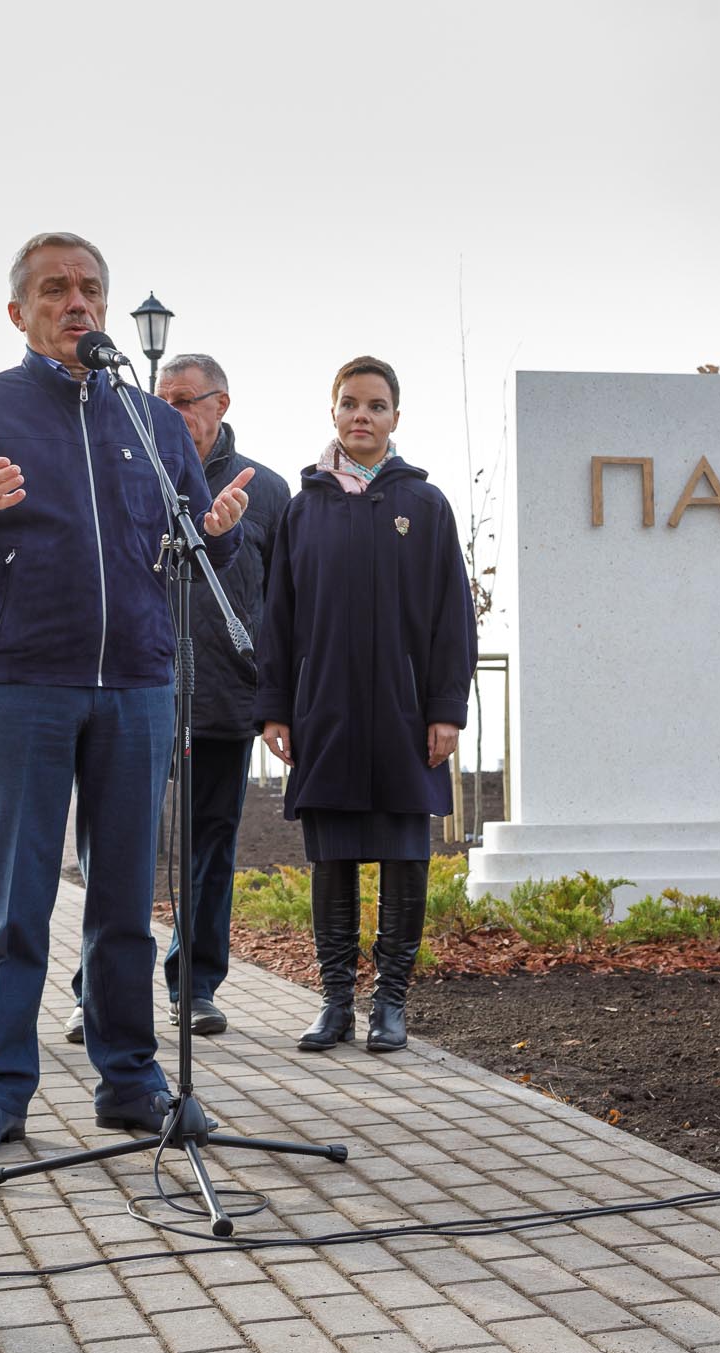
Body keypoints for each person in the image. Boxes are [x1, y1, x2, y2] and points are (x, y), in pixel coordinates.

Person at [0, 232, 252, 1160]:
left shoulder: (152, 422)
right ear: (19, 312)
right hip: (22, 682)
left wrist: (215, 536)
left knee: (126, 902)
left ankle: (132, 1081)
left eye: (90, 288)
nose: (79, 304)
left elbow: (179, 550)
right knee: (14, 900)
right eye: (55, 290)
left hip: (137, 684)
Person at [64, 355, 291, 1045]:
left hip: (221, 696)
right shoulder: (124, 472)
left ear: (221, 404)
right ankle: (95, 990)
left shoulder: (269, 491)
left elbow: (284, 605)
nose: (172, 412)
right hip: (128, 691)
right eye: (161, 400)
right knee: (110, 847)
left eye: (186, 400)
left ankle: (193, 986)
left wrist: (278, 696)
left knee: (209, 848)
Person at [255, 356, 475, 1054]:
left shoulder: (427, 506)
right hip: (326, 715)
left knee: (405, 858)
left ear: (395, 419)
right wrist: (277, 708)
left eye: (376, 406)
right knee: (335, 859)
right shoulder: (303, 508)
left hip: (406, 717)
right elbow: (279, 617)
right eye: (350, 403)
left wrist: (445, 708)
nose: (362, 416)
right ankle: (335, 1003)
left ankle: (391, 1003)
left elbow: (453, 617)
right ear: (333, 412)